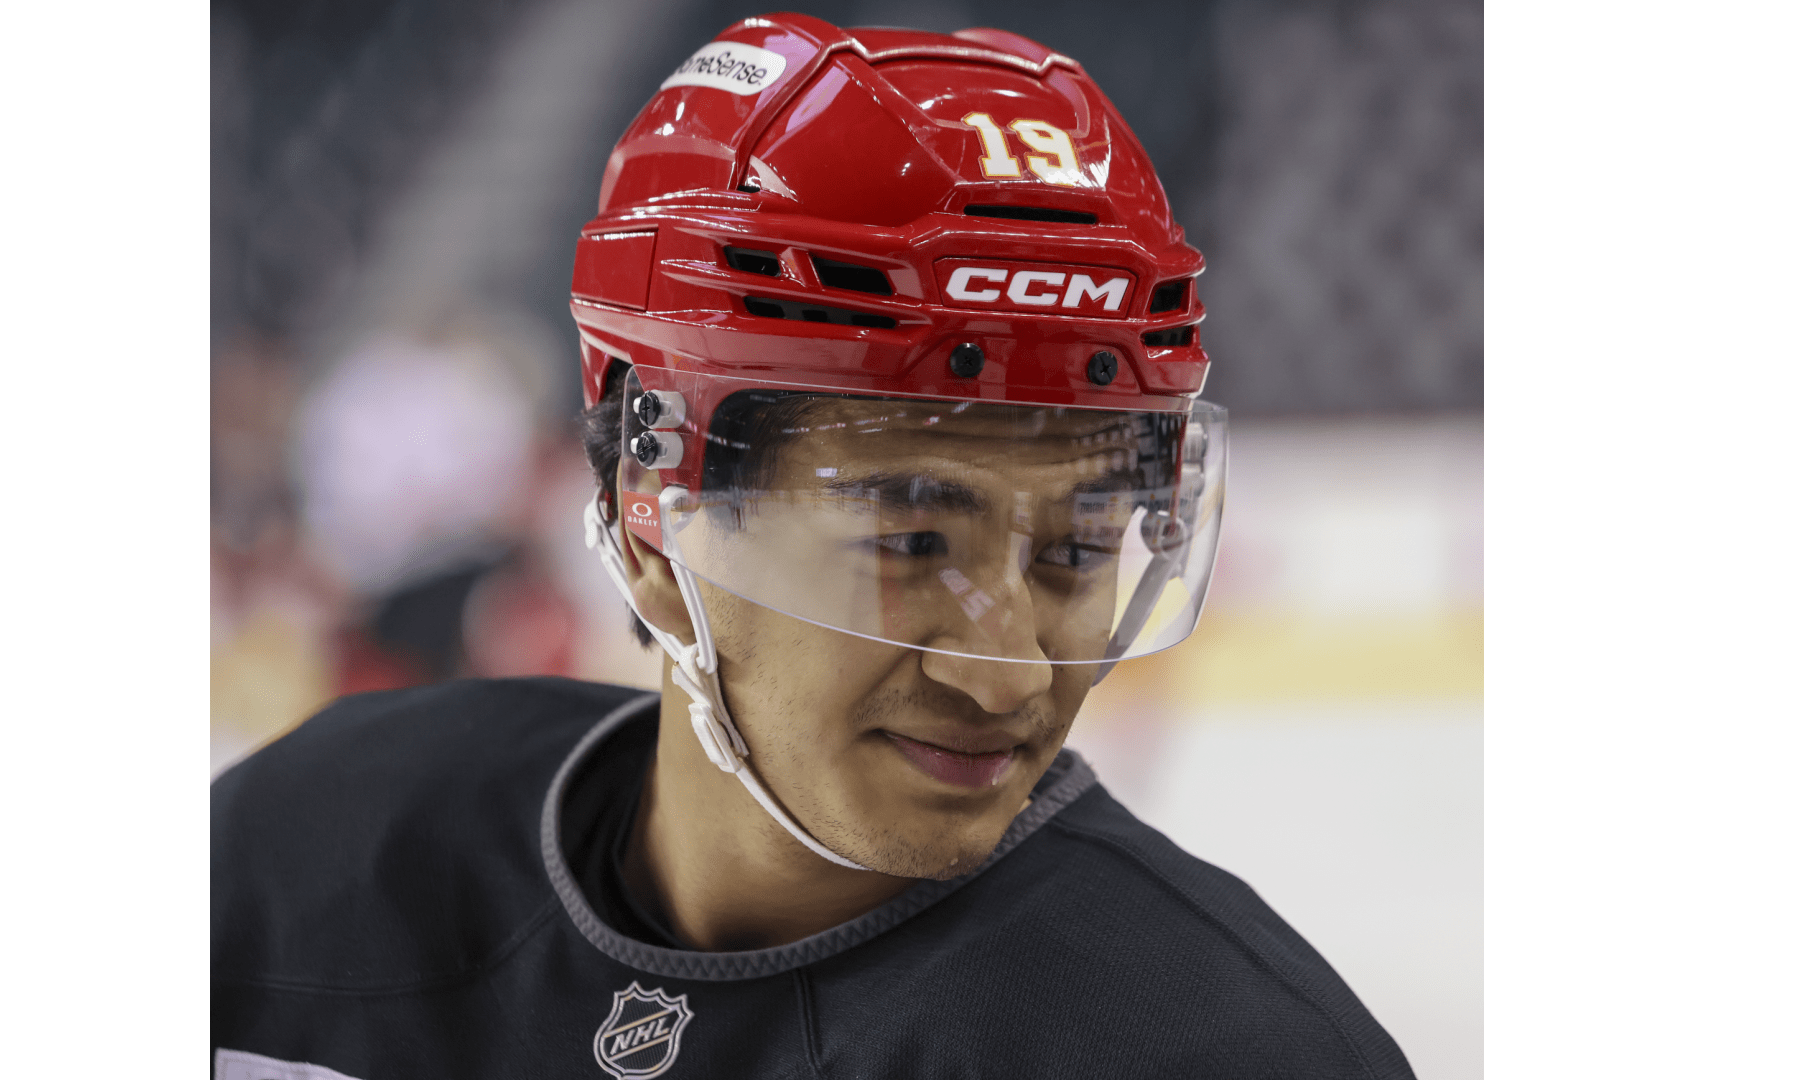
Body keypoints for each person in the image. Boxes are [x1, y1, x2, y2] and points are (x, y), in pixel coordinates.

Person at [211, 14, 1415, 1079]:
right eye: (913, 541)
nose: (1005, 679)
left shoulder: (1224, 1051)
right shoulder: (295, 862)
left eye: (1078, 555)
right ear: (654, 520)